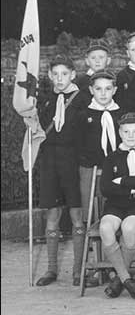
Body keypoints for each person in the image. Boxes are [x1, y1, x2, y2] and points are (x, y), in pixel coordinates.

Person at [34, 55, 90, 287]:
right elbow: (37, 133)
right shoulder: (44, 100)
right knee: (53, 215)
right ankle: (51, 269)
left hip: (73, 160)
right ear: (49, 76)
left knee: (77, 215)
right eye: (55, 74)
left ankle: (78, 270)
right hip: (49, 161)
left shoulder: (83, 98)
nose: (59, 79)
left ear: (72, 75)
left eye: (64, 74)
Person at [98, 112, 135, 299]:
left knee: (129, 228)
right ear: (120, 133)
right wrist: (132, 186)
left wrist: (121, 180)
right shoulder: (111, 157)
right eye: (127, 132)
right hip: (115, 204)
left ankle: (118, 281)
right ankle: (126, 279)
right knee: (106, 228)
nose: (131, 136)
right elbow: (106, 188)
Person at [76, 71, 123, 287]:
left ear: (114, 90)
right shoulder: (84, 114)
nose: (103, 93)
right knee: (94, 217)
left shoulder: (122, 114)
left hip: (116, 172)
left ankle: (115, 267)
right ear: (91, 90)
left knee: (113, 215)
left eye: (107, 89)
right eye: (98, 89)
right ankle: (97, 267)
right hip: (91, 171)